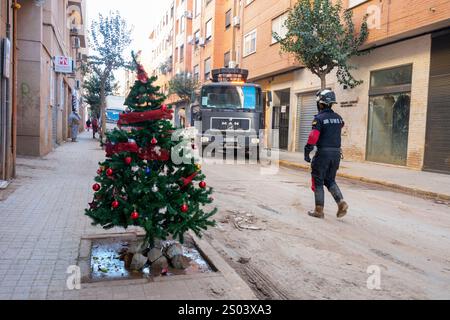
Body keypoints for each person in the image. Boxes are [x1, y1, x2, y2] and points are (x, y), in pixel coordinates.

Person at [304, 89, 349, 219]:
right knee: (330, 180)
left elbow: (313, 137)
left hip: (323, 154)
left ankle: (319, 210)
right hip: (336, 154)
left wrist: (307, 152)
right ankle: (341, 202)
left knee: (318, 180)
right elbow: (339, 127)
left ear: (321, 104)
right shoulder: (339, 118)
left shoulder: (319, 119)